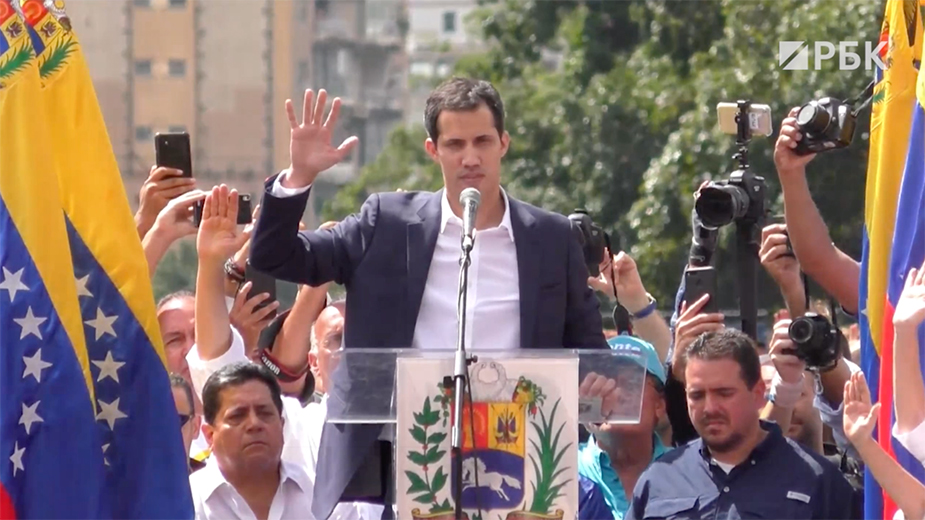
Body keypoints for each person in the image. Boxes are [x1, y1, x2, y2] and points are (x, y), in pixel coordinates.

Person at [250, 77, 609, 519]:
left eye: (482, 141)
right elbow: (275, 256)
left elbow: (591, 350)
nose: (470, 158)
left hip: (520, 469)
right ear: (432, 150)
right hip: (412, 468)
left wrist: (597, 383)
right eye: (455, 144)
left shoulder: (550, 238)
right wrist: (299, 178)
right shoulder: (385, 223)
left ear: (504, 143)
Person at [625, 329, 855, 519]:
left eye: (724, 393)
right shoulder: (660, 478)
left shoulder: (818, 481)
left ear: (757, 393)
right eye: (697, 395)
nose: (709, 408)